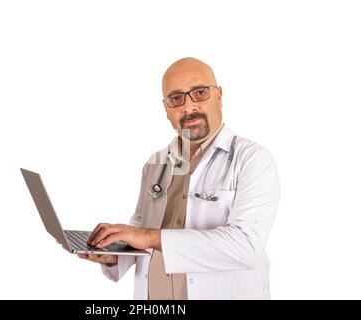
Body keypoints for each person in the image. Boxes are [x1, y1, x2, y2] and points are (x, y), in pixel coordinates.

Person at [71, 57, 280, 300]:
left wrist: (149, 236)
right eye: (176, 98)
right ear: (166, 109)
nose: (188, 107)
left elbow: (246, 247)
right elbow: (139, 232)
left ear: (219, 96)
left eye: (200, 93)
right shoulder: (156, 163)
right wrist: (113, 256)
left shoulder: (253, 159)